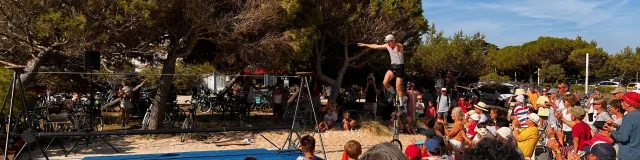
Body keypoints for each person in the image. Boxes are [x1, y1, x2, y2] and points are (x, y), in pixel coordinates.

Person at [358, 35, 405, 105]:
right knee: (385, 82)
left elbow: (400, 48)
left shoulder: (398, 45)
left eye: (389, 42)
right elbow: (376, 46)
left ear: (393, 41)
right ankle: (393, 93)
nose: (388, 44)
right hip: (393, 66)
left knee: (398, 87)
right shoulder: (387, 45)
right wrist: (365, 44)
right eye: (388, 43)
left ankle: (401, 105)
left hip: (400, 67)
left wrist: (399, 47)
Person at [606, 92, 640, 160]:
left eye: (623, 101)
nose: (621, 103)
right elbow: (634, 131)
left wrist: (612, 130)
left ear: (629, 104)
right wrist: (618, 126)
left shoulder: (629, 117)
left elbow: (623, 138)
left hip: (628, 155)